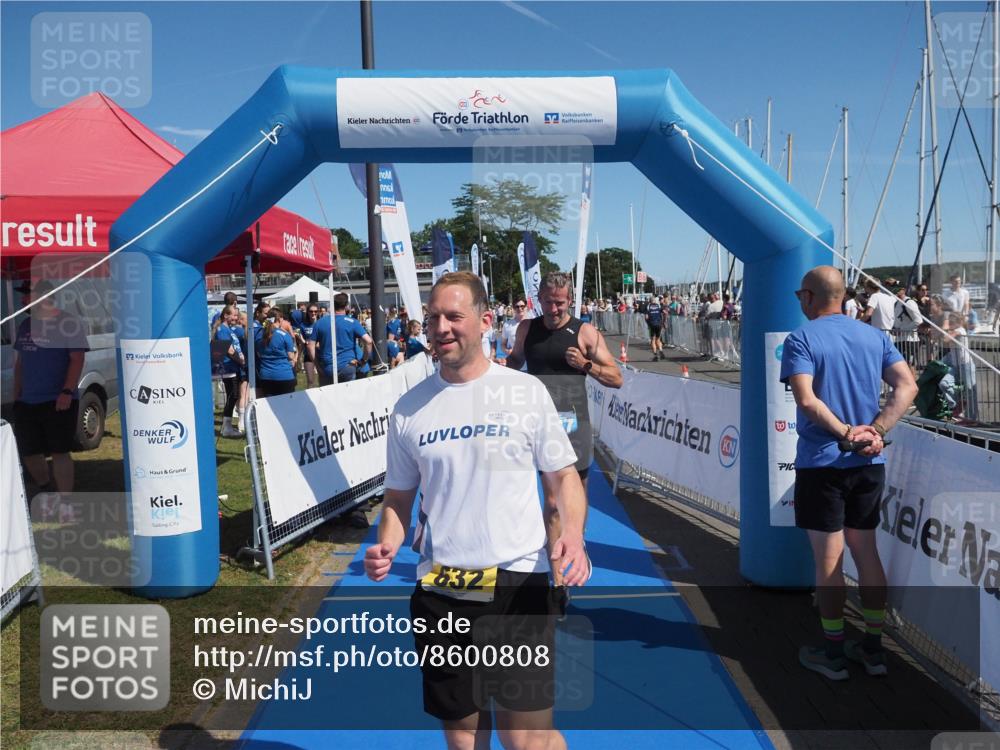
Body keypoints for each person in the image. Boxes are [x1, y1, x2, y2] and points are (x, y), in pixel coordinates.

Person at [364, 272, 588, 750]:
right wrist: (387, 541)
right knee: (465, 740)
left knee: (527, 739)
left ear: (485, 321)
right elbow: (399, 499)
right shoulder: (409, 408)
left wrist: (574, 533)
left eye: (453, 316)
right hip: (442, 591)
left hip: (516, 583)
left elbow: (564, 477)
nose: (440, 327)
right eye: (432, 318)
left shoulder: (525, 392)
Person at [781, 266, 917, 681]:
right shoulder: (874, 336)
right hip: (868, 463)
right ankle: (874, 649)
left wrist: (847, 434)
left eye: (799, 296)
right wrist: (874, 431)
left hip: (825, 463)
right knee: (866, 552)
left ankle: (834, 652)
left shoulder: (801, 338)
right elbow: (907, 386)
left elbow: (806, 400)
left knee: (828, 562)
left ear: (808, 297)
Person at [505, 271, 622, 612]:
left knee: (575, 499)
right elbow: (515, 361)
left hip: (575, 424)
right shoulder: (527, 329)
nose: (553, 309)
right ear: (538, 300)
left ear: (569, 300)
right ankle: (557, 580)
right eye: (547, 302)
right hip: (538, 423)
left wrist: (586, 364)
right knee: (553, 501)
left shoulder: (585, 332)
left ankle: (575, 541)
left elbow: (616, 377)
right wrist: (497, 369)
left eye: (559, 302)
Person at [12, 280, 89, 510]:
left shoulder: (68, 323)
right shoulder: (26, 324)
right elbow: (20, 363)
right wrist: (16, 392)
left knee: (59, 451)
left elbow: (77, 359)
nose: (23, 299)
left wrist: (66, 391)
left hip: (58, 400)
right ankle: (46, 489)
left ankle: (66, 502)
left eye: (28, 294)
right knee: (29, 451)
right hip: (27, 400)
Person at [308, 293, 372, 384]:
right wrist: (363, 361)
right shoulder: (353, 322)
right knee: (348, 397)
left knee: (328, 397)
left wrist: (317, 366)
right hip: (348, 366)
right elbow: (369, 341)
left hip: (328, 368)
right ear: (346, 306)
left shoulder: (320, 322)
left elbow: (310, 346)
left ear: (333, 305)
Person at [210, 304, 246, 438]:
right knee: (233, 394)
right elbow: (230, 350)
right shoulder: (222, 330)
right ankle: (227, 426)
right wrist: (241, 360)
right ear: (226, 315)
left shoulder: (229, 329)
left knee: (234, 395)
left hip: (233, 367)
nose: (236, 318)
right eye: (234, 315)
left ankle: (227, 425)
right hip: (228, 368)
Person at [254, 313, 298, 397]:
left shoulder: (259, 334)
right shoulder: (284, 335)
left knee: (269, 406)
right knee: (287, 406)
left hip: (266, 376)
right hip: (284, 376)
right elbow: (290, 356)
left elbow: (258, 353)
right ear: (280, 319)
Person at [645, 294, 664, 361]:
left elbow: (646, 317)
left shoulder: (648, 306)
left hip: (652, 324)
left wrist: (648, 324)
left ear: (650, 301)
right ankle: (661, 351)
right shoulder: (658, 305)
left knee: (653, 340)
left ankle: (655, 355)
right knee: (658, 339)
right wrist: (662, 322)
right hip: (659, 324)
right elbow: (663, 312)